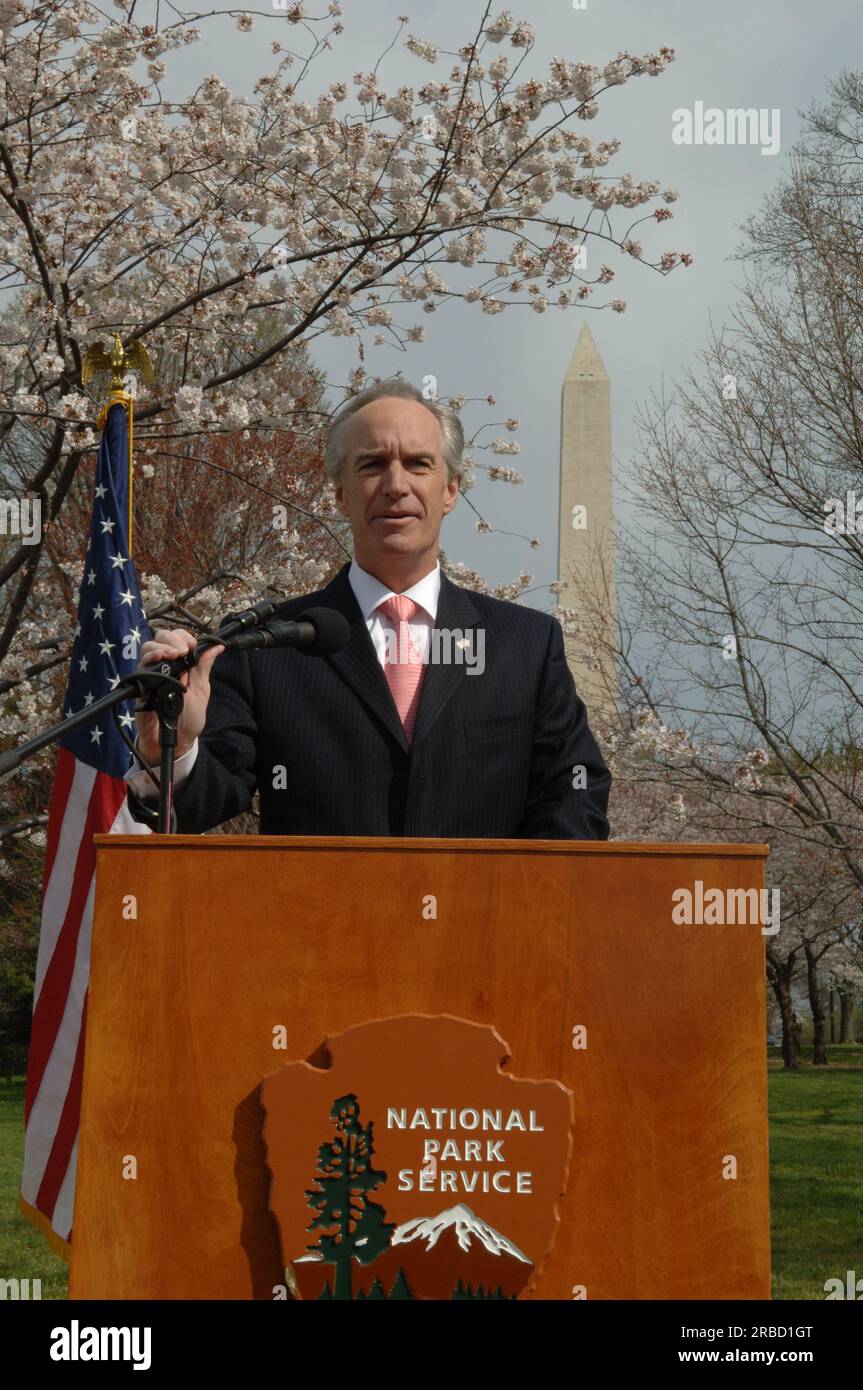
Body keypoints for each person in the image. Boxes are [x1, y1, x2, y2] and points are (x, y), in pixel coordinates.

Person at [126, 380, 612, 838]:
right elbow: (204, 801)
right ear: (339, 493)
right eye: (373, 464)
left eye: (418, 463)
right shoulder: (267, 645)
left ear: (450, 491)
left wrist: (536, 912)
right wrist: (171, 746)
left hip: (485, 924)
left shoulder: (526, 645)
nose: (396, 484)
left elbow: (573, 793)